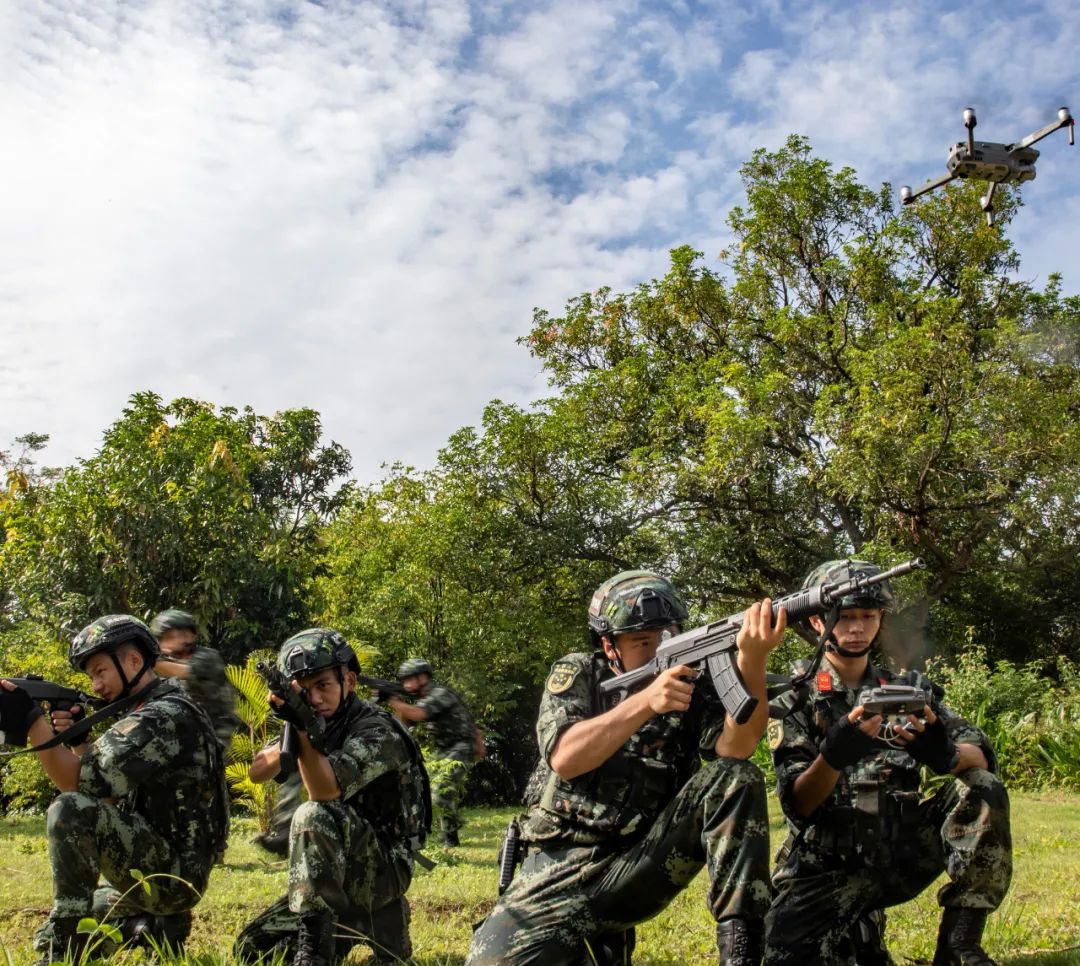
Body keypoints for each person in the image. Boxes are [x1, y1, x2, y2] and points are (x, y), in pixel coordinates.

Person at [467, 570, 786, 966]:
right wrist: (647, 701)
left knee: (736, 776)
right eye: (642, 642)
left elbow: (737, 747)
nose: (658, 649)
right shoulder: (580, 673)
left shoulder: (694, 685)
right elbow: (565, 757)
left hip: (639, 863)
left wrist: (753, 660)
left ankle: (742, 954)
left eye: (667, 635)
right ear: (609, 645)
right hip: (559, 867)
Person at [765, 560, 1013, 966]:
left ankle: (959, 944)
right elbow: (799, 804)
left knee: (981, 786)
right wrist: (831, 756)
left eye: (868, 616)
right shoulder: (796, 701)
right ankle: (859, 930)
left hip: (899, 855)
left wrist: (944, 753)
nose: (857, 628)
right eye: (845, 617)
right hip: (824, 868)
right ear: (817, 621)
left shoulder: (907, 691)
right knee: (786, 956)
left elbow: (979, 754)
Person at [0, 614, 228, 964]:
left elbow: (76, 788)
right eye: (91, 676)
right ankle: (152, 926)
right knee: (48, 936)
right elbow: (105, 793)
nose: (95, 686)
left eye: (100, 671)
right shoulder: (154, 707)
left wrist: (32, 721)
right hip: (156, 866)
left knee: (67, 809)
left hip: (174, 877)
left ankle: (65, 949)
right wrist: (79, 742)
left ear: (134, 661)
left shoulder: (162, 716)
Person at [234, 628, 430, 966]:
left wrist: (301, 727)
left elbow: (325, 793)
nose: (315, 698)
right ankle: (371, 923)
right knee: (251, 949)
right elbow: (257, 771)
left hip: (385, 868)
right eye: (304, 690)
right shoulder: (315, 721)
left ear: (349, 681)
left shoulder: (376, 729)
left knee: (312, 814)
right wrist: (292, 719)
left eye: (323, 685)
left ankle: (317, 951)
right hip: (334, 871)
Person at [386, 658, 477, 846]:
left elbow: (418, 714)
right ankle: (441, 829)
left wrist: (392, 701)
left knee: (442, 789)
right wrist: (397, 701)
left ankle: (450, 838)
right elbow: (404, 723)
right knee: (424, 787)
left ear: (422, 677)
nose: (405, 684)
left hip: (460, 746)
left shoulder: (439, 693)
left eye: (408, 679)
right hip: (444, 750)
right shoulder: (422, 699)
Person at [151, 608, 238, 749]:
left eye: (173, 636)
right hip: (183, 733)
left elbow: (184, 671)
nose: (169, 641)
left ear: (190, 636)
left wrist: (146, 661)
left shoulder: (208, 657)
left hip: (215, 733)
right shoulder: (165, 662)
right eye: (166, 637)